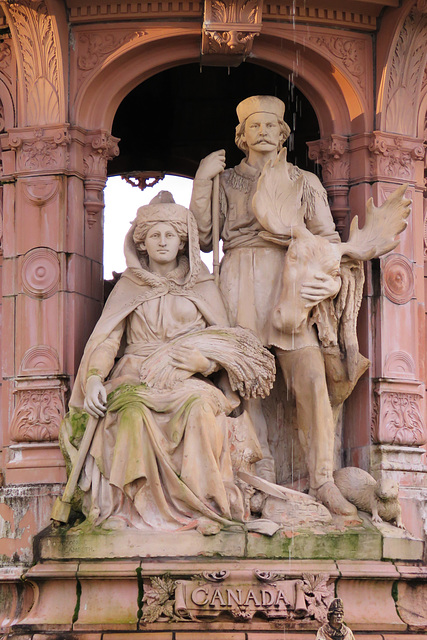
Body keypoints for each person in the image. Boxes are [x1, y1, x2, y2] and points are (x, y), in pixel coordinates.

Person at [59, 192, 274, 533]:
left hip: (189, 379)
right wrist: (96, 378)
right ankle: (126, 513)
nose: (162, 242)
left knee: (201, 410)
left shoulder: (203, 285)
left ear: (182, 241)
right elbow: (108, 339)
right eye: (155, 235)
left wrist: (201, 362)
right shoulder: (129, 286)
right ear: (142, 243)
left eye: (170, 235)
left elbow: (222, 347)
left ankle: (203, 507)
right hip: (135, 376)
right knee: (129, 413)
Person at [190, 95, 357, 516]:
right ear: (241, 136)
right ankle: (259, 470)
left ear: (284, 132)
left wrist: (327, 278)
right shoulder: (226, 182)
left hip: (291, 281)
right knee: (244, 384)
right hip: (238, 280)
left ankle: (322, 479)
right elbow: (204, 240)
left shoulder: (305, 181)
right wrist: (201, 184)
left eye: (272, 126)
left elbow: (331, 241)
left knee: (311, 378)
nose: (264, 132)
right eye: (255, 126)